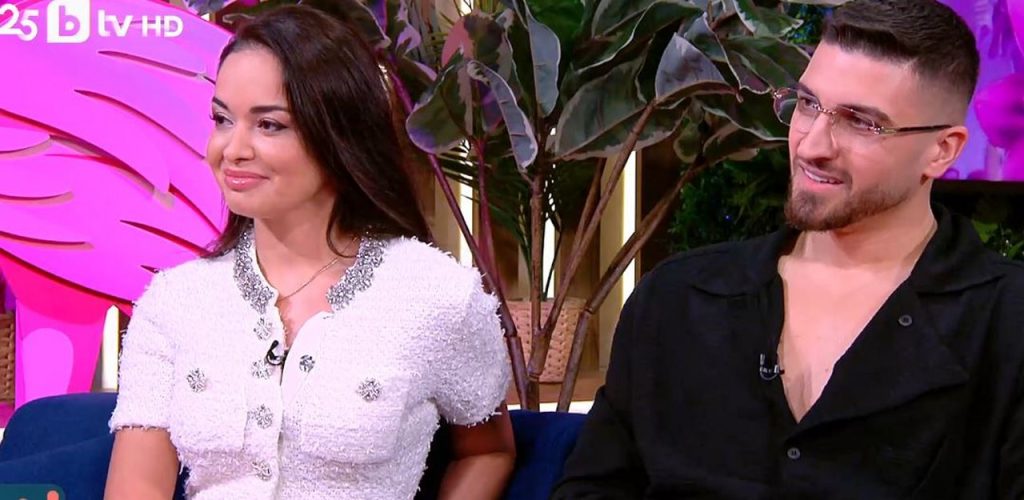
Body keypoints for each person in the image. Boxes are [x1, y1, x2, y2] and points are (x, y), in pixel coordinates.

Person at [553, 0, 1024, 497]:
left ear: (941, 151)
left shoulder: (1007, 324)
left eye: (861, 122)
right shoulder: (676, 299)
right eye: (807, 104)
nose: (811, 146)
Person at [104, 6, 514, 499]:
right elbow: (137, 486)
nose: (232, 149)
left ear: (338, 135)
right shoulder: (174, 302)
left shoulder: (437, 295)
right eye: (222, 119)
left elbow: (488, 450)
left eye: (269, 125)